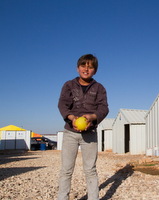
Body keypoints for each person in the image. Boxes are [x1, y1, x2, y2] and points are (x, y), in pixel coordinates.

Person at [57, 54, 109, 200]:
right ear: (77, 68)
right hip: (70, 133)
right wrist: (71, 118)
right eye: (83, 65)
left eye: (90, 66)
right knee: (66, 170)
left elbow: (104, 108)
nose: (86, 69)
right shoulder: (68, 85)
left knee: (90, 170)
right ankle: (62, 198)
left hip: (90, 134)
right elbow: (62, 104)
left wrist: (92, 117)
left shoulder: (99, 88)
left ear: (95, 70)